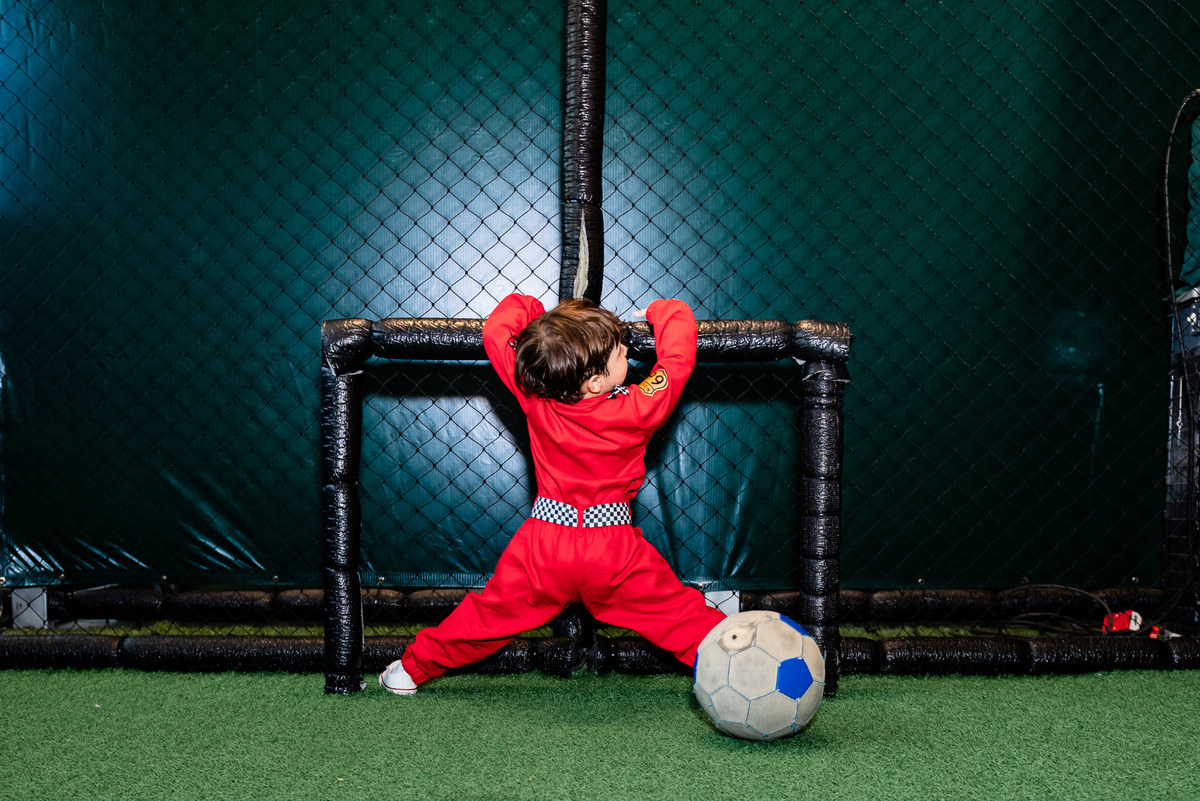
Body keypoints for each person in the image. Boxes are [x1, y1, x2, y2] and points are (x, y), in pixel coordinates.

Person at [379, 293, 727, 694]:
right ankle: (743, 665)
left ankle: (411, 669)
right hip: (612, 548)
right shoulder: (636, 407)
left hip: (546, 542)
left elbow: (496, 331)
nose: (628, 349)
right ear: (596, 380)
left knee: (488, 617)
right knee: (679, 616)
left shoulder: (535, 396)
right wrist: (665, 311)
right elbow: (677, 361)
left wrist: (532, 308)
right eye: (620, 350)